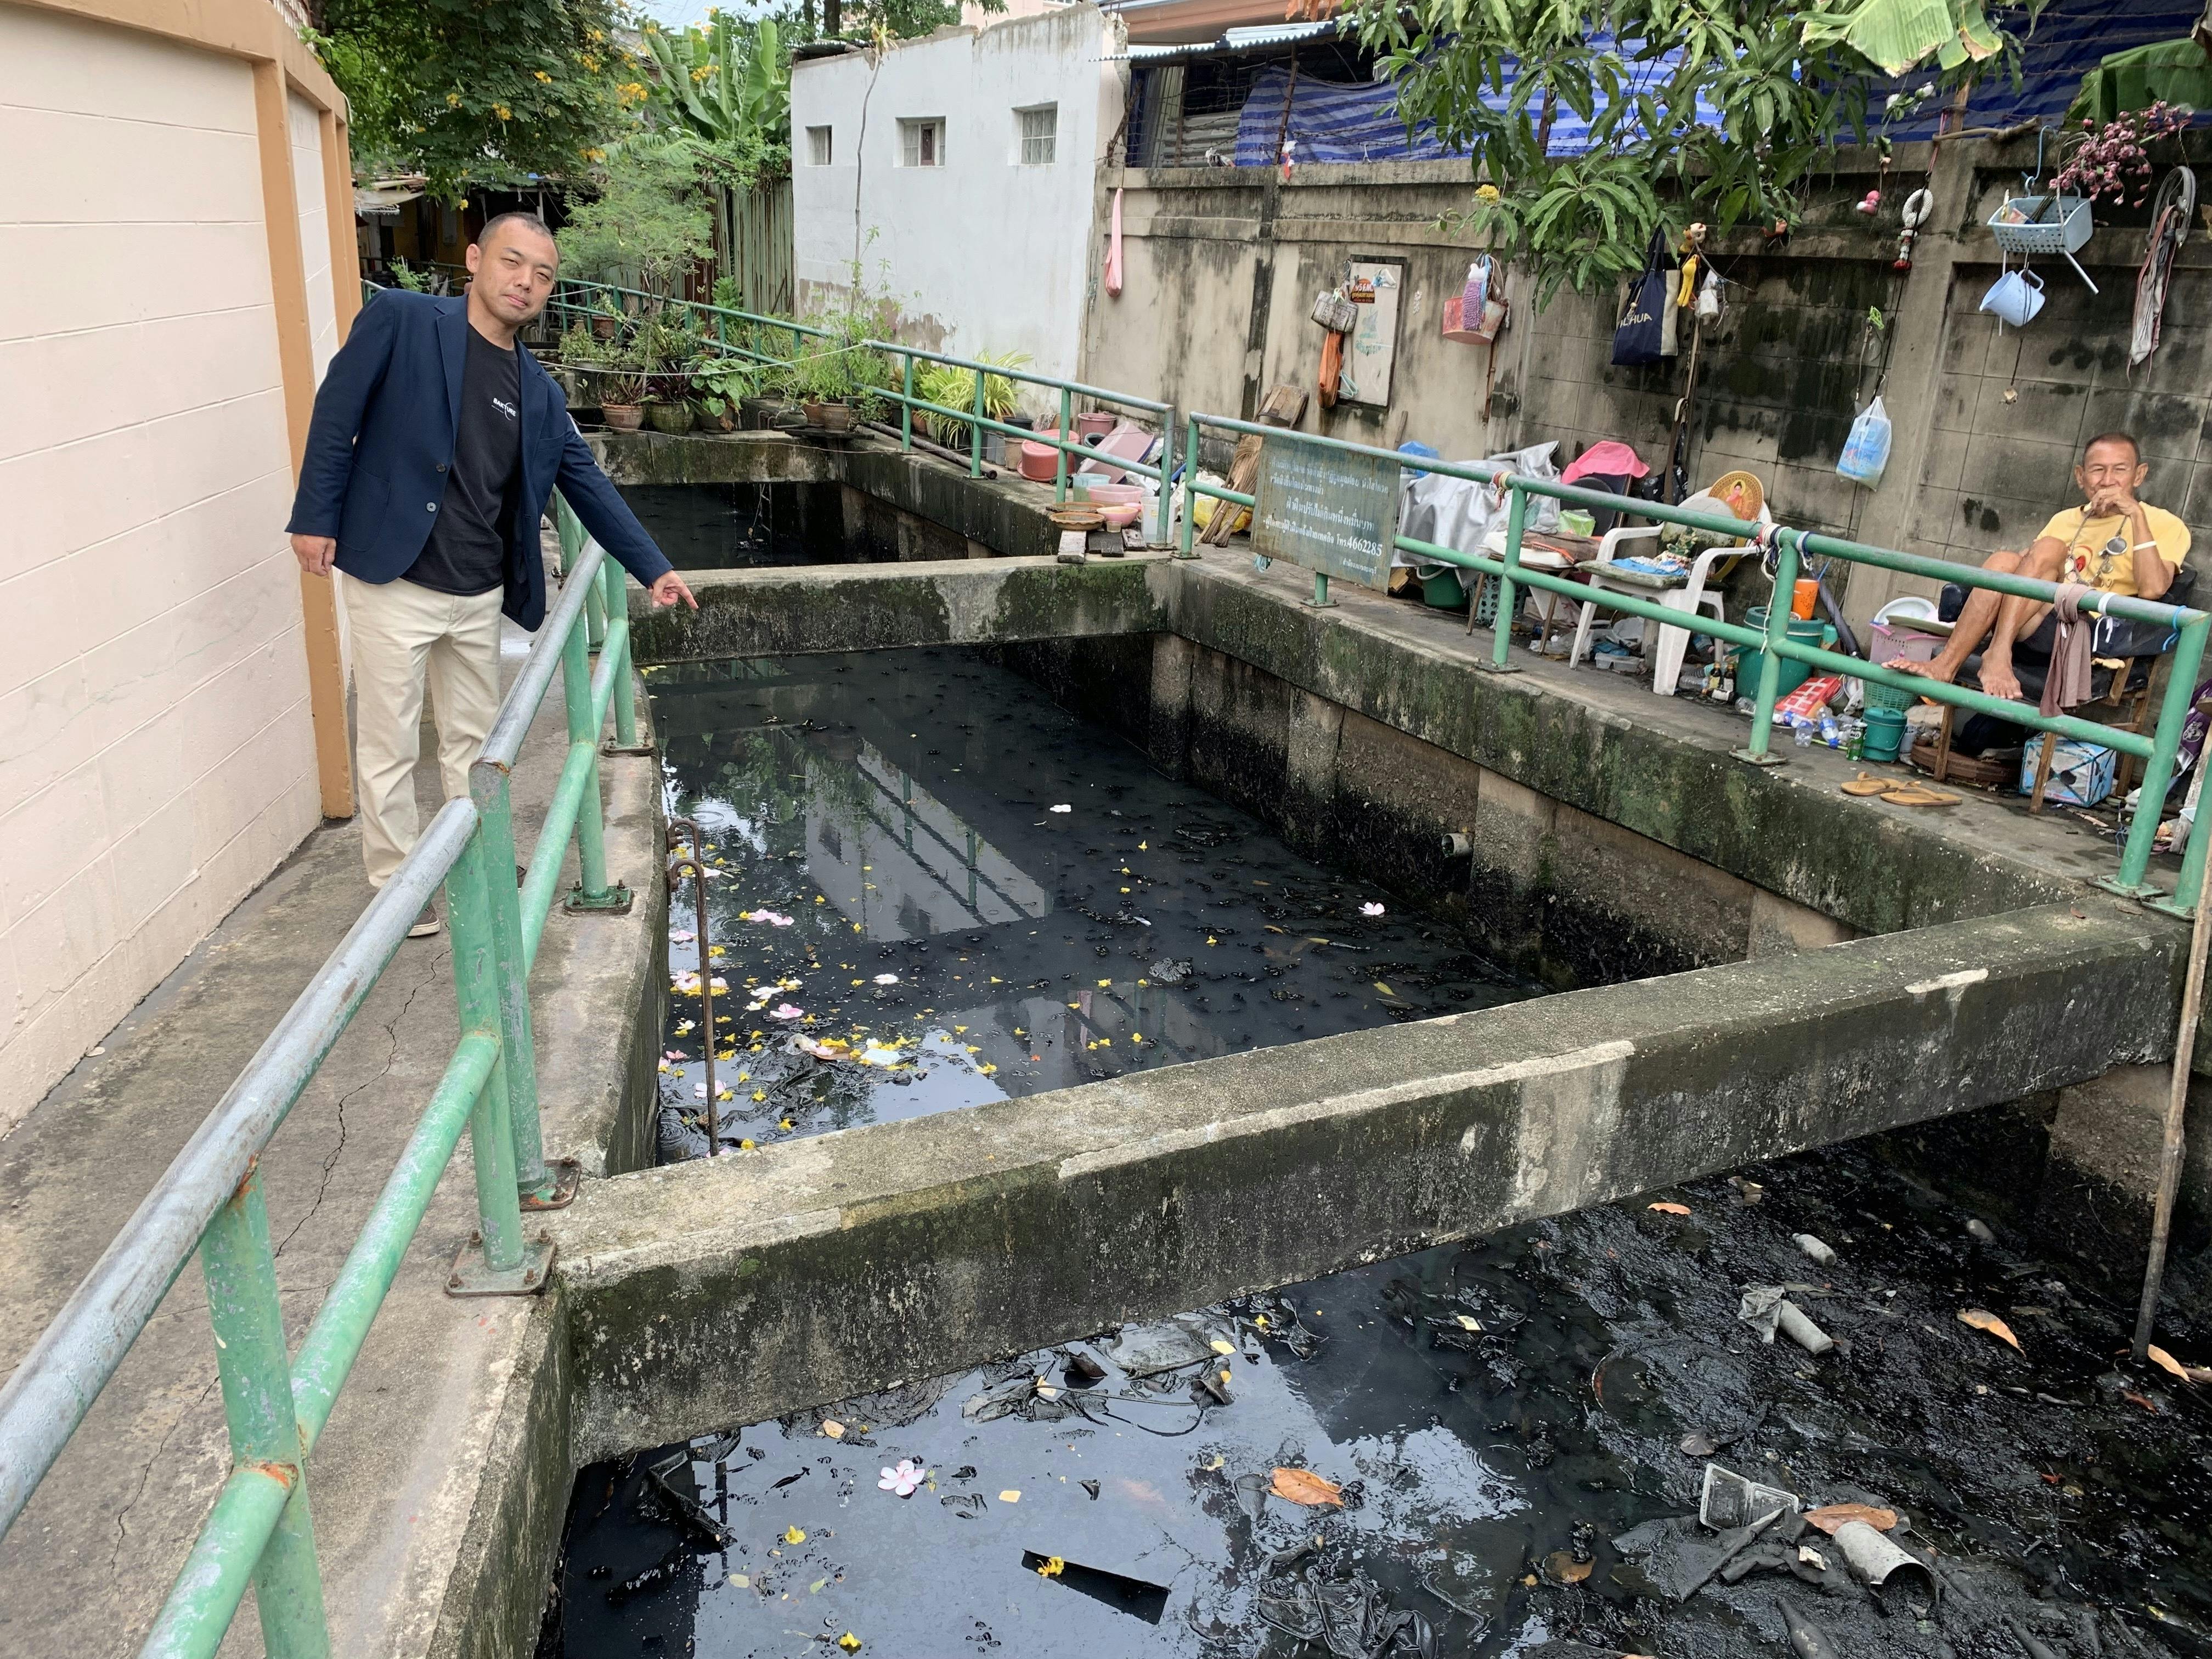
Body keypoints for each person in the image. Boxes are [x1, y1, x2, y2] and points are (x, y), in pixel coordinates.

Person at [287, 212, 696, 936]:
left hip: (478, 591)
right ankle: (398, 888)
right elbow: (335, 412)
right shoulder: (403, 319)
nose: (526, 283)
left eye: (542, 276)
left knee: (475, 747)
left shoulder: (535, 390)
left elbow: (586, 484)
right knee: (390, 742)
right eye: (513, 263)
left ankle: (473, 862)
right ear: (475, 259)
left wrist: (653, 567)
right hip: (395, 579)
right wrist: (314, 515)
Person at [1889, 432, 2188, 704]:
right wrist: (2020, 561)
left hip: (2083, 633)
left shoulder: (2164, 523)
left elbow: (2153, 590)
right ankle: (1948, 667)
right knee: (2004, 560)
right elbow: (2027, 566)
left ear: (2139, 475)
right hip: (2034, 621)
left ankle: (1996, 651)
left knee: (2047, 549)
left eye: (2119, 470)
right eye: (2098, 470)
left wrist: (2135, 516)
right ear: (2081, 477)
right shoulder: (2065, 519)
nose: (2108, 480)